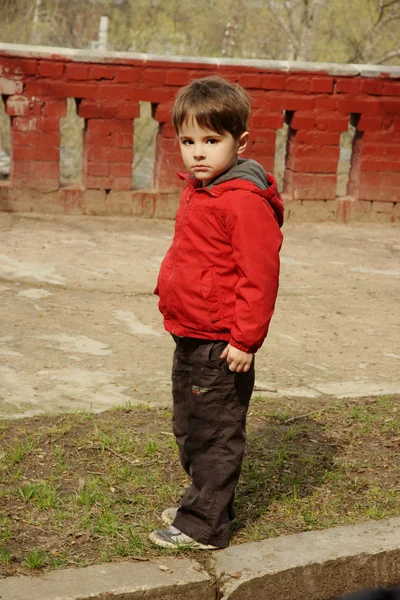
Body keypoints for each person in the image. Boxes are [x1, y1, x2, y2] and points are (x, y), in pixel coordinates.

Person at [150, 75, 284, 550]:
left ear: (240, 142)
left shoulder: (244, 203)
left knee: (215, 434)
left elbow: (260, 276)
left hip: (222, 344)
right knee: (189, 427)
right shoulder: (200, 190)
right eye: (188, 141)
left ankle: (204, 525)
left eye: (211, 140)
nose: (198, 153)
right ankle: (205, 501)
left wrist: (244, 341)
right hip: (190, 332)